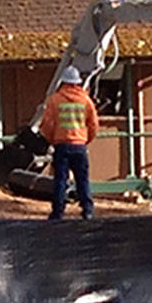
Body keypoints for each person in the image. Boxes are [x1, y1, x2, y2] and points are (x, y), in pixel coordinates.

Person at [39, 65, 100, 220]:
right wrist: (86, 140)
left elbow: (47, 124)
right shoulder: (86, 101)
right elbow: (93, 125)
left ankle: (58, 211)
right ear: (78, 82)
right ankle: (87, 210)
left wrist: (52, 140)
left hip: (61, 145)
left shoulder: (55, 100)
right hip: (79, 145)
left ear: (63, 82)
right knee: (82, 179)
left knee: (60, 179)